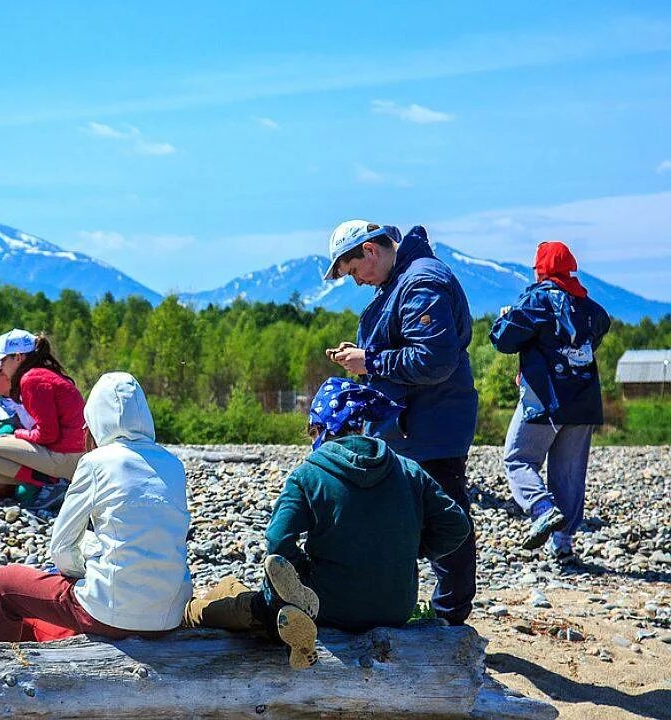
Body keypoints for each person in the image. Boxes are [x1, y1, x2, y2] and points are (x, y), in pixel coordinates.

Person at [184, 378, 471, 669]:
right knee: (243, 590)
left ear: (320, 428)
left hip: (327, 605)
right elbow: (457, 526)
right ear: (361, 426)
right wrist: (410, 550)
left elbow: (278, 541)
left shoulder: (309, 474)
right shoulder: (408, 470)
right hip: (394, 608)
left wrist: (302, 572)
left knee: (243, 601)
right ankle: (288, 613)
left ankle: (194, 614)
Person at [0, 372, 192, 642]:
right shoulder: (174, 464)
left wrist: (78, 571)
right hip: (171, 615)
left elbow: (61, 548)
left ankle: (5, 674)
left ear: (94, 420)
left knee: (5, 580)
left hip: (111, 614)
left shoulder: (96, 462)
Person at [323, 220, 478, 626]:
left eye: (355, 271)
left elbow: (434, 360)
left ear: (370, 251)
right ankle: (414, 611)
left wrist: (370, 361)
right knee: (404, 523)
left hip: (431, 430)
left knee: (445, 520)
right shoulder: (401, 282)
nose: (357, 282)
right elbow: (407, 347)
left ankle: (449, 620)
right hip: (413, 429)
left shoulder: (422, 281)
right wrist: (362, 353)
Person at [490, 241, 610, 562]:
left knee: (518, 459)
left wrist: (505, 318)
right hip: (584, 402)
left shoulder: (539, 298)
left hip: (545, 399)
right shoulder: (588, 306)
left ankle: (541, 508)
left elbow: (503, 339)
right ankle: (563, 545)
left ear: (542, 268)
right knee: (568, 473)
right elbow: (602, 324)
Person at [0, 329, 85, 501]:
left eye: (2, 359)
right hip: (72, 455)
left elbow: (47, 435)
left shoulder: (31, 379)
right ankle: (48, 482)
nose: (0, 366)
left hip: (66, 458)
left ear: (18, 357)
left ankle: (52, 483)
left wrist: (16, 435)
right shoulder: (42, 374)